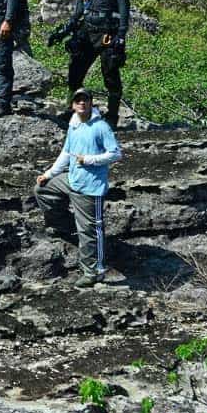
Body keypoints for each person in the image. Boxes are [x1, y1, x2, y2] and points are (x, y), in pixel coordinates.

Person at [33, 89, 123, 284]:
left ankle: (94, 272)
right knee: (42, 189)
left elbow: (115, 154)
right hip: (72, 179)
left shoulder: (101, 127)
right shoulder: (73, 124)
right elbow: (66, 152)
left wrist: (90, 160)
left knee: (91, 230)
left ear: (91, 103)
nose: (81, 103)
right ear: (73, 104)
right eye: (78, 100)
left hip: (91, 187)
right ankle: (64, 226)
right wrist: (49, 174)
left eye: (85, 100)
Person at [64, 0, 131, 128]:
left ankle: (112, 116)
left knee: (110, 74)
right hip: (87, 29)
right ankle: (73, 110)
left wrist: (121, 36)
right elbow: (79, 6)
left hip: (108, 32)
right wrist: (67, 26)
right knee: (75, 71)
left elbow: (124, 8)